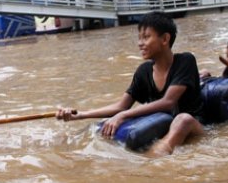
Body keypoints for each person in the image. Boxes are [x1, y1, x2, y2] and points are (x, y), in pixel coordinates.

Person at [56, 11, 204, 156]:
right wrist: (80, 114)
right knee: (99, 127)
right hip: (161, 124)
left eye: (146, 37)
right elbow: (121, 106)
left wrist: (123, 116)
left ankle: (155, 160)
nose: (140, 44)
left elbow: (168, 102)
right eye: (139, 38)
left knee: (182, 119)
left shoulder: (185, 61)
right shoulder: (143, 71)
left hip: (192, 126)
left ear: (165, 39)